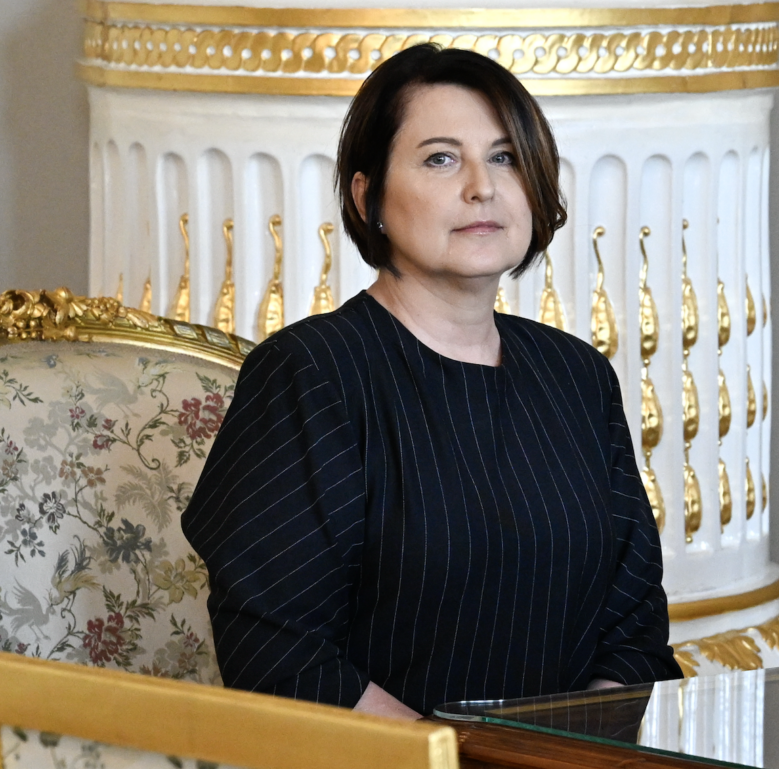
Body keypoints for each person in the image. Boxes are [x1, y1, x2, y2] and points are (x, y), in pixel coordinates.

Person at [181, 42, 681, 721]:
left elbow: (634, 629)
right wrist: (449, 758)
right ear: (369, 198)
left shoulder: (578, 375)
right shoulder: (311, 373)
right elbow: (278, 652)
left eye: (505, 157)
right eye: (441, 158)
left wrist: (568, 753)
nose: (482, 186)